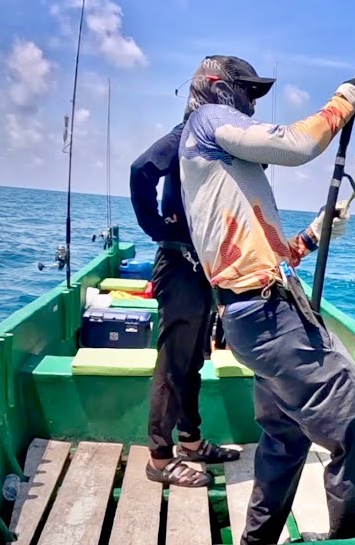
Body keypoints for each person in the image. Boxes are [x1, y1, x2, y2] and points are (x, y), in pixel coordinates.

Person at [177, 55, 355, 544]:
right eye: (246, 93)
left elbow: (271, 258)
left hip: (255, 316)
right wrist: (345, 100)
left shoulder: (225, 174)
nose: (251, 105)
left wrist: (315, 233)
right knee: (354, 429)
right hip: (270, 319)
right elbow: (297, 144)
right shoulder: (207, 120)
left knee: (285, 440)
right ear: (216, 87)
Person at [130, 114, 240, 488]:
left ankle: (190, 443)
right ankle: (160, 459)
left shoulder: (220, 144)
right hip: (179, 264)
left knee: (193, 361)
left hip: (202, 266)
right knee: (173, 363)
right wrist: (157, 227)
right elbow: (141, 168)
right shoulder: (185, 134)